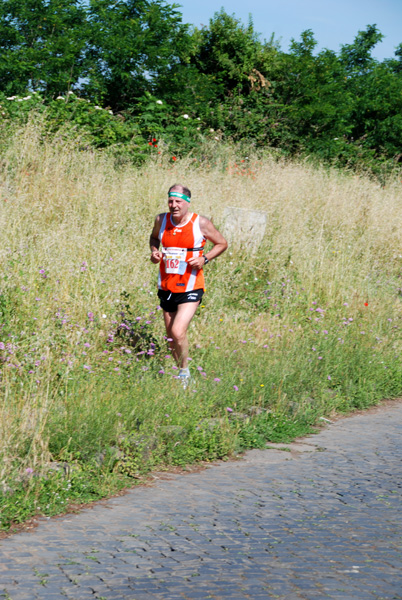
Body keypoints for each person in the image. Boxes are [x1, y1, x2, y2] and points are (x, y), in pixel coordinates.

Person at [150, 183, 228, 386]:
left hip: (191, 285)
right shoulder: (161, 219)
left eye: (178, 201)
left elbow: (222, 243)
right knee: (170, 338)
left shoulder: (200, 222)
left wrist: (205, 259)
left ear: (187, 202)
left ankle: (184, 373)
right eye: (170, 201)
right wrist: (154, 251)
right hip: (167, 285)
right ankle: (180, 371)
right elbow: (153, 237)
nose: (173, 205)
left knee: (177, 331)